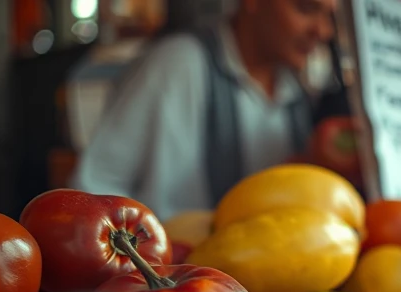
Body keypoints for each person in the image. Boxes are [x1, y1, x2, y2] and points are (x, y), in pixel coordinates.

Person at [70, 0, 336, 220]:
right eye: (306, 9)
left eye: (329, 16)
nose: (323, 31)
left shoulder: (296, 90)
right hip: (167, 263)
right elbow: (93, 186)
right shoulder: (175, 65)